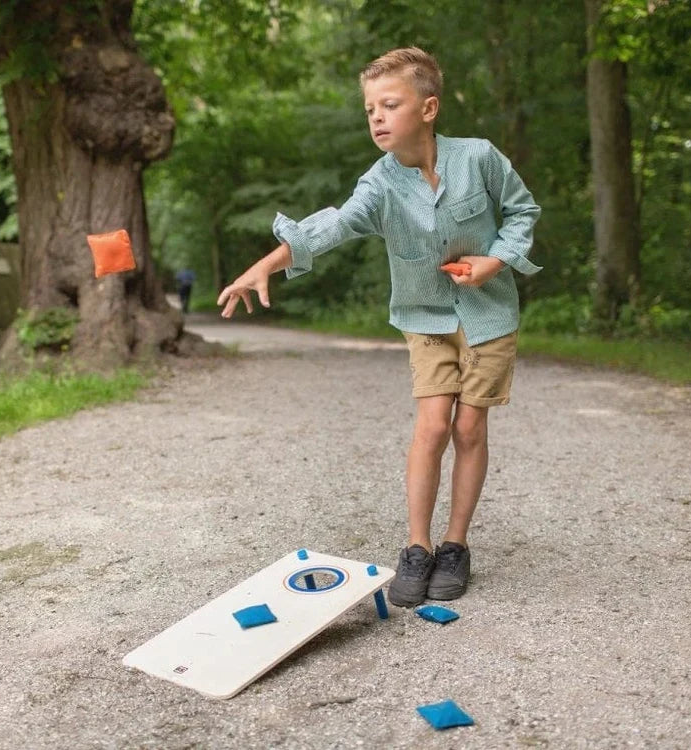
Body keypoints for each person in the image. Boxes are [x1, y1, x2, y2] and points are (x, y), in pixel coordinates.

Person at [216, 47, 541, 607]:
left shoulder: (480, 158)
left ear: (429, 107)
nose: (377, 117)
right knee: (433, 425)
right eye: (370, 109)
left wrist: (496, 259)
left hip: (489, 312)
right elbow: (334, 224)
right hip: (425, 318)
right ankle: (416, 546)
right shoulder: (380, 183)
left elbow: (522, 211)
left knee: (469, 430)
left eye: (390, 104)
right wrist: (267, 263)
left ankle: (455, 545)